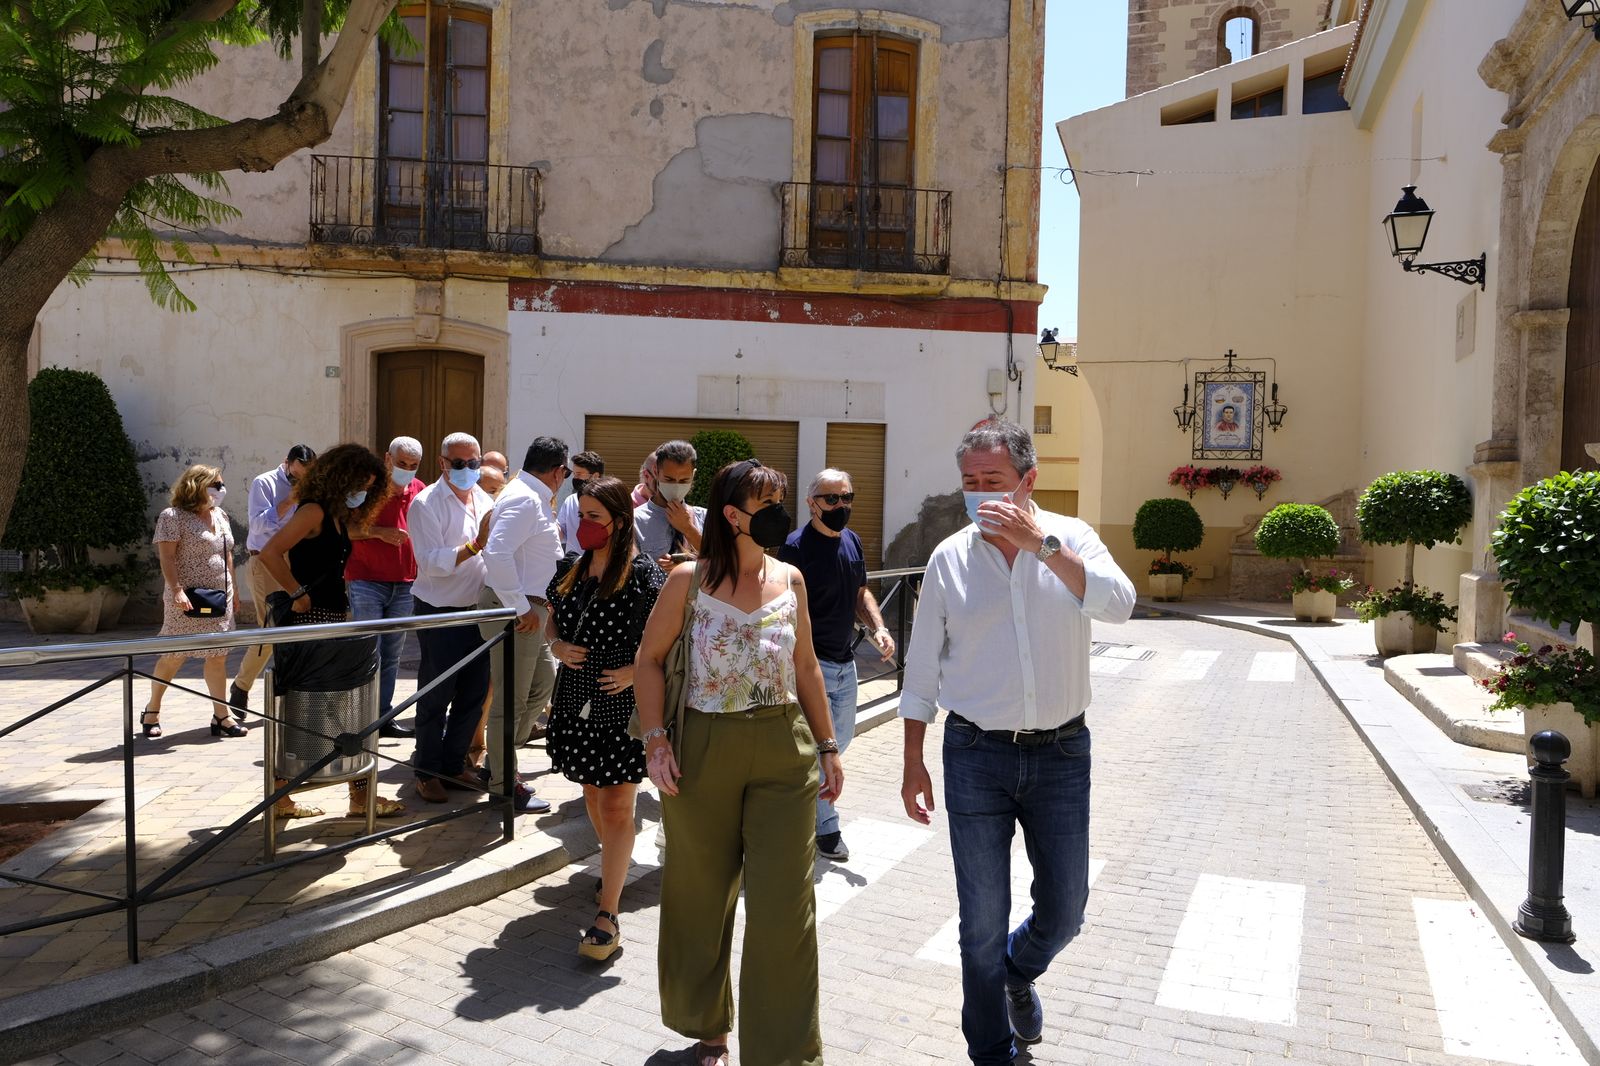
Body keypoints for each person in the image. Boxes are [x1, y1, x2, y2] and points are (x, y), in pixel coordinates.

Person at [898, 421, 1135, 1064]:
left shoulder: (1073, 538)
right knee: (978, 923)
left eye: (993, 482)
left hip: (1061, 753)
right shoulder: (950, 558)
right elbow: (922, 667)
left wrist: (1044, 546)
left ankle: (1017, 972)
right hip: (975, 755)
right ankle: (991, 1050)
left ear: (1027, 481)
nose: (979, 496)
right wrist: (912, 760)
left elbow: (1120, 605)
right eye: (970, 483)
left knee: (1065, 911)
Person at [635, 458, 844, 1066]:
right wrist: (656, 740)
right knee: (701, 894)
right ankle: (709, 1028)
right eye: (769, 504)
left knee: (786, 907)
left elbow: (806, 671)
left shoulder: (792, 580)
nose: (782, 513)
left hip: (784, 749)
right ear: (733, 515)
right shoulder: (687, 582)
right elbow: (650, 660)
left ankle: (782, 1052)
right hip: (703, 747)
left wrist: (828, 746)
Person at [545, 475, 665, 959]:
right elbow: (552, 613)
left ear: (618, 521)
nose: (584, 525)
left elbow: (666, 636)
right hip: (575, 697)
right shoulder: (572, 567)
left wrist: (635, 671)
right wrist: (555, 643)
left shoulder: (644, 573)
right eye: (581, 515)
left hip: (621, 704)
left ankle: (608, 915)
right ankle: (614, 867)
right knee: (593, 794)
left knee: (617, 805)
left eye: (594, 517)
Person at [258, 442, 407, 819]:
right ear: (341, 477)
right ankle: (288, 797)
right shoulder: (313, 511)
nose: (363, 492)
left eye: (370, 486)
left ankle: (356, 796)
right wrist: (297, 594)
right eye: (360, 483)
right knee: (309, 709)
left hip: (333, 619)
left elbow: (352, 539)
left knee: (344, 708)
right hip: (308, 623)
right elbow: (270, 552)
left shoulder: (340, 517)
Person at [778, 468, 894, 863]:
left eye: (847, 498)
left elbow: (860, 591)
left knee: (838, 743)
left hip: (846, 664)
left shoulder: (853, 541)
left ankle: (808, 815)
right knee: (820, 750)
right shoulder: (795, 548)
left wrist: (877, 627)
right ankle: (824, 828)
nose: (841, 506)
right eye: (832, 499)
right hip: (812, 665)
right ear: (811, 503)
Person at [478, 436, 570, 815]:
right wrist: (519, 607)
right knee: (512, 700)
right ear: (558, 471)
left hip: (530, 610)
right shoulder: (524, 498)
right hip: (518, 611)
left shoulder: (528, 495)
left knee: (541, 686)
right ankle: (503, 785)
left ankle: (498, 763)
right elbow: (496, 552)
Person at [407, 433, 495, 803]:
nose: (467, 470)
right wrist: (476, 545)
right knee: (435, 693)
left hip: (479, 609)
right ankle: (426, 770)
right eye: (459, 464)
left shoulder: (485, 498)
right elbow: (430, 562)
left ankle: (454, 763)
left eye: (473, 463)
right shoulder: (425, 503)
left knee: (474, 694)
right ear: (443, 463)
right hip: (440, 611)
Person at [144, 464, 244, 739]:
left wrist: (234, 588)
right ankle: (152, 710)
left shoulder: (220, 515)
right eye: (216, 485)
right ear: (197, 485)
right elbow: (167, 557)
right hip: (186, 597)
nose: (221, 490)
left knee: (218, 656)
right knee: (174, 656)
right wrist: (176, 589)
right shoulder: (172, 516)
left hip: (219, 597)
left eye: (222, 485)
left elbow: (228, 555)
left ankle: (221, 715)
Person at [346, 436, 424, 740]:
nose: (407, 470)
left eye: (413, 466)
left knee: (392, 653)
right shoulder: (366, 488)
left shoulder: (420, 491)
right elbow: (347, 529)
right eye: (402, 463)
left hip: (405, 584)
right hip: (366, 581)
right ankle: (361, 720)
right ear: (387, 458)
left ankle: (383, 716)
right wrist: (380, 533)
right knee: (368, 651)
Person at [230, 444, 315, 712]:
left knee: (296, 627)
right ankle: (242, 685)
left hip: (295, 561)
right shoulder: (264, 483)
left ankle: (288, 687)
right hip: (264, 560)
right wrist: (289, 500)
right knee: (270, 626)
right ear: (287, 463)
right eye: (298, 473)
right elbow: (257, 524)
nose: (301, 480)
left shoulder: (310, 485)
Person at [633, 440, 704, 570]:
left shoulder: (705, 517)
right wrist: (653, 569)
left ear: (693, 475)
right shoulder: (635, 521)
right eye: (669, 479)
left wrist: (688, 529)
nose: (676, 486)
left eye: (684, 481)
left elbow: (720, 560)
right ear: (656, 471)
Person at [556, 450, 604, 551]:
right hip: (573, 564)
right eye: (574, 474)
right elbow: (562, 534)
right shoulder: (570, 501)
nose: (575, 478)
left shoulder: (609, 502)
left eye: (579, 474)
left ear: (595, 476)